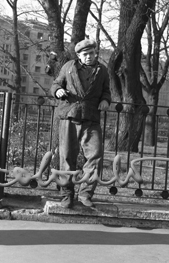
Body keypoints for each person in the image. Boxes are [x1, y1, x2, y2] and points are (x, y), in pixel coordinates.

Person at [50, 37, 111, 209]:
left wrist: (106, 101)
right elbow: (55, 84)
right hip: (69, 116)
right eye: (85, 54)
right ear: (78, 55)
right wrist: (58, 91)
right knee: (67, 156)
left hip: (91, 118)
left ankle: (85, 194)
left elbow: (106, 92)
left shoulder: (102, 70)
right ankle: (66, 195)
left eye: (92, 53)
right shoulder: (68, 67)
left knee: (95, 155)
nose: (89, 57)